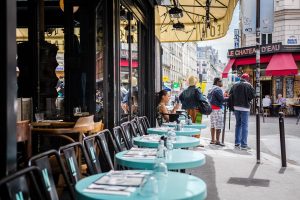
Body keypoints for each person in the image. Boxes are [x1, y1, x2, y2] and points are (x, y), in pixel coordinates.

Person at [229, 73, 255, 150]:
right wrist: (248, 99)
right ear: (247, 79)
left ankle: (237, 143)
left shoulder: (235, 85)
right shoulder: (248, 85)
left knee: (238, 125)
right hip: (245, 108)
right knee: (245, 125)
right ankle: (244, 144)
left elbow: (230, 94)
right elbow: (253, 95)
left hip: (236, 107)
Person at [207, 77, 225, 146]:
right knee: (218, 125)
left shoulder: (210, 89)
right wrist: (227, 98)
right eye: (221, 81)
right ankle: (217, 141)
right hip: (217, 109)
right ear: (217, 82)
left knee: (212, 124)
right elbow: (222, 99)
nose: (222, 83)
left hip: (211, 109)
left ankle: (212, 140)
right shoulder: (218, 89)